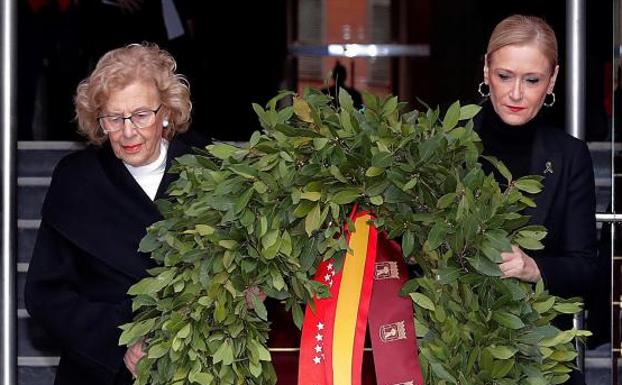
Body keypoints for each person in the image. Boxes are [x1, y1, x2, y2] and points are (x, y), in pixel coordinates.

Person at [25, 43, 204, 385]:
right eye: (113, 118)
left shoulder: (209, 171)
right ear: (99, 121)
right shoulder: (77, 181)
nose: (127, 131)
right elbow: (45, 294)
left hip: (194, 369)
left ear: (166, 112)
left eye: (140, 115)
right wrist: (119, 340)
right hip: (100, 371)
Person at [475, 15, 597, 385]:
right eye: (504, 76)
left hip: (542, 360)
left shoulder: (569, 156)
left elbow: (586, 269)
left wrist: (533, 268)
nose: (516, 94)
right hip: (453, 354)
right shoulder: (445, 144)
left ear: (553, 80)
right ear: (485, 70)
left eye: (532, 80)